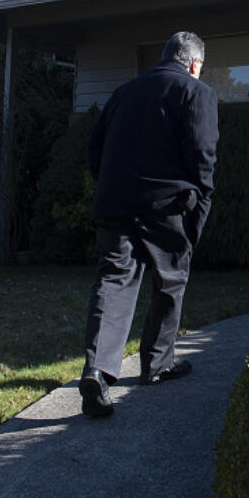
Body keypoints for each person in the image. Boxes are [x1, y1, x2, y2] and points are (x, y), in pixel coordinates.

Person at [79, 31, 218, 418]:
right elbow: (202, 155)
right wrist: (200, 206)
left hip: (115, 201)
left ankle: (97, 371)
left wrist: (110, 184)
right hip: (165, 206)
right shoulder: (196, 91)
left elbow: (95, 148)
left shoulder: (125, 91)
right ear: (194, 64)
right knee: (170, 280)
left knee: (114, 280)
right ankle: (157, 366)